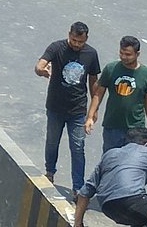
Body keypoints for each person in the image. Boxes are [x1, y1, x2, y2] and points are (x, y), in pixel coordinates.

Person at [37, 21, 101, 196]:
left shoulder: (91, 54)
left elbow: (93, 82)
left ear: (86, 38)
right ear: (69, 35)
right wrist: (42, 70)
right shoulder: (56, 48)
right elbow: (39, 65)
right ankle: (49, 172)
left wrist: (93, 111)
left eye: (80, 41)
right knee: (52, 142)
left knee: (78, 148)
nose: (76, 44)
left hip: (78, 110)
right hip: (55, 107)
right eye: (73, 40)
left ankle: (77, 187)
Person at [73, 128, 147, 227]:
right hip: (131, 200)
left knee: (141, 216)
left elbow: (85, 192)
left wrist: (78, 224)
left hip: (107, 206)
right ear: (146, 143)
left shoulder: (110, 154)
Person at [86, 38, 147, 154]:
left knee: (132, 164)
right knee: (110, 161)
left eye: (128, 54)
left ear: (137, 54)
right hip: (112, 126)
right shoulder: (111, 68)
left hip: (136, 128)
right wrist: (90, 116)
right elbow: (98, 94)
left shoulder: (146, 74)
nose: (123, 57)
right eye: (121, 53)